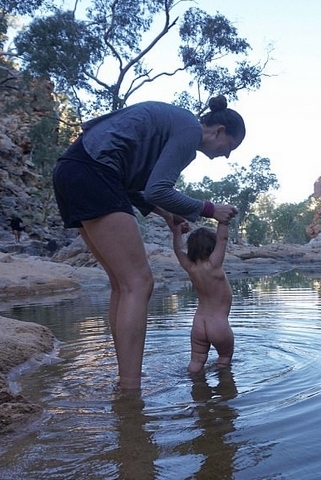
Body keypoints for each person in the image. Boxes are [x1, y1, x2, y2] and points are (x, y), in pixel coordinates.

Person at [52, 95, 243, 390]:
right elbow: (158, 189)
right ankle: (130, 390)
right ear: (217, 131)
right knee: (139, 283)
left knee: (122, 283)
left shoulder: (176, 124)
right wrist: (210, 209)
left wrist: (168, 214)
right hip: (93, 172)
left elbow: (136, 189)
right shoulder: (189, 129)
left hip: (72, 171)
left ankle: (126, 379)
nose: (227, 155)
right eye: (230, 146)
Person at [171, 219, 235, 374]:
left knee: (196, 360)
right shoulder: (214, 265)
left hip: (199, 323)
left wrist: (177, 233)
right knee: (224, 359)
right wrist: (223, 222)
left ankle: (196, 389)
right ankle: (225, 393)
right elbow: (222, 239)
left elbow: (178, 251)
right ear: (212, 248)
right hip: (218, 324)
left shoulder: (191, 268)